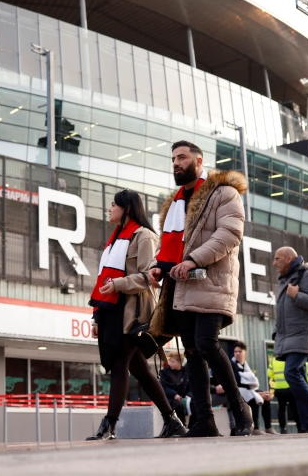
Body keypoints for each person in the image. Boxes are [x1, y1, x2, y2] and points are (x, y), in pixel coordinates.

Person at [147, 141, 252, 437]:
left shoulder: (224, 193)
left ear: (199, 160)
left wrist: (193, 260)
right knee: (192, 351)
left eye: (182, 157)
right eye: (173, 159)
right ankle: (204, 420)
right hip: (180, 286)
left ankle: (239, 409)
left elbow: (230, 234)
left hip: (212, 282)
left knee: (206, 343)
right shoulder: (173, 203)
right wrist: (157, 265)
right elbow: (168, 245)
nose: (176, 163)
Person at [87, 189, 187, 440]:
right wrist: (97, 316)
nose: (109, 209)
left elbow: (148, 276)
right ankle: (172, 420)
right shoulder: (113, 240)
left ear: (127, 208)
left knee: (121, 364)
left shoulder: (144, 236)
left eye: (113, 204)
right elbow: (102, 280)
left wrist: (119, 285)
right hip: (112, 310)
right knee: (139, 370)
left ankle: (108, 425)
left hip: (132, 310)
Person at [272, 246, 308, 434]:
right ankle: (307, 425)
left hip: (302, 335)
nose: (274, 263)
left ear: (289, 259)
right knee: (298, 376)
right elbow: (282, 313)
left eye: (277, 258)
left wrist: (297, 296)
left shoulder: (307, 275)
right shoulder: (285, 280)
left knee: (292, 372)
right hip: (288, 337)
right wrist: (276, 333)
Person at [225, 341, 273, 435]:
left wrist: (258, 392)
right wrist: (256, 393)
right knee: (253, 396)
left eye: (240, 351)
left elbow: (249, 383)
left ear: (245, 353)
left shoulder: (246, 366)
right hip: (237, 391)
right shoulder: (232, 365)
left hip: (246, 390)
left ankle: (268, 427)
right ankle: (256, 428)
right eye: (235, 351)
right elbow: (237, 381)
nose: (237, 354)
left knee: (266, 396)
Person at [267, 353, 298, 433]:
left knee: (281, 409)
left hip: (279, 388)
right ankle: (299, 426)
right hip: (290, 387)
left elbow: (269, 373)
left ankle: (282, 428)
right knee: (294, 408)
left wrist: (276, 378)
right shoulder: (289, 359)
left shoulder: (274, 360)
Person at [159, 352, 190, 426]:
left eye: (173, 361)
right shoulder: (165, 372)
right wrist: (174, 394)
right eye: (169, 361)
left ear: (179, 362)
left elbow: (191, 386)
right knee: (178, 405)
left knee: (194, 404)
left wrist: (189, 395)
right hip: (171, 398)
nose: (170, 363)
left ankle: (192, 426)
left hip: (185, 397)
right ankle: (181, 425)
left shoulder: (186, 372)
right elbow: (163, 386)